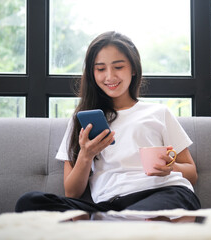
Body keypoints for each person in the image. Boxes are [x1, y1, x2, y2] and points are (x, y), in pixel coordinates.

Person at [15, 31, 200, 213]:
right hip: (109, 205)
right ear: (92, 73)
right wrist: (86, 155)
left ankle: (110, 228)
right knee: (30, 202)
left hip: (163, 193)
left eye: (118, 67)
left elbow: (191, 173)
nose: (110, 76)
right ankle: (120, 226)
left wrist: (169, 167)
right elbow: (72, 192)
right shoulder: (82, 120)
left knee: (160, 207)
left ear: (133, 69)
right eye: (101, 69)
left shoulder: (159, 113)